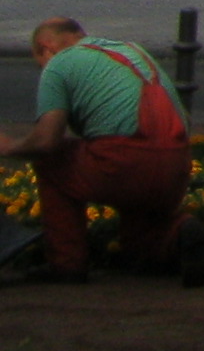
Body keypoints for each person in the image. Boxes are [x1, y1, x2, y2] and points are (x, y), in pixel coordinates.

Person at [8, 18, 188, 281]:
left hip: (124, 162)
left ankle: (67, 264)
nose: (42, 69)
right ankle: (179, 236)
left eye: (39, 62)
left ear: (45, 47)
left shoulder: (59, 63)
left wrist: (10, 147)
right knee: (138, 235)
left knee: (52, 160)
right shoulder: (132, 50)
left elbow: (45, 142)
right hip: (177, 164)